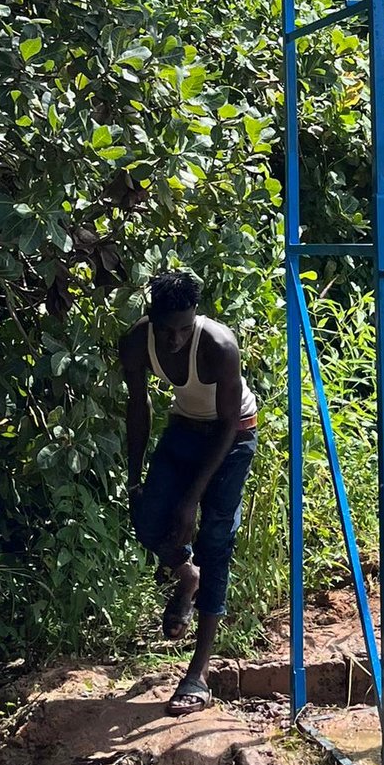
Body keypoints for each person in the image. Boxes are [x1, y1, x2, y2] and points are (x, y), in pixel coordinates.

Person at [122, 269, 258, 718]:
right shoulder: (137, 342)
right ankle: (187, 576)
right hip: (184, 428)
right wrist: (135, 479)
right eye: (167, 330)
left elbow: (228, 424)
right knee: (147, 520)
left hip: (232, 436)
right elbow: (138, 406)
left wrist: (191, 500)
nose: (176, 339)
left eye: (184, 328)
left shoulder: (219, 345)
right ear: (152, 319)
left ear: (195, 318)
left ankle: (197, 673)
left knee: (215, 540)